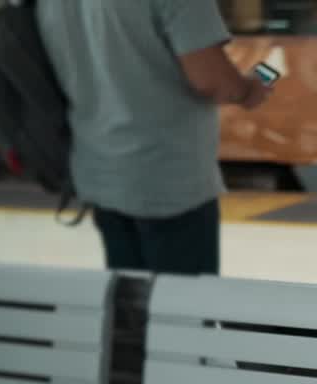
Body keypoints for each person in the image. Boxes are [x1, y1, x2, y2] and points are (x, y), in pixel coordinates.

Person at [36, 0, 271, 275]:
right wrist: (251, 89)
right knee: (181, 309)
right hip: (167, 180)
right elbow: (213, 81)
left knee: (130, 304)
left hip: (99, 171)